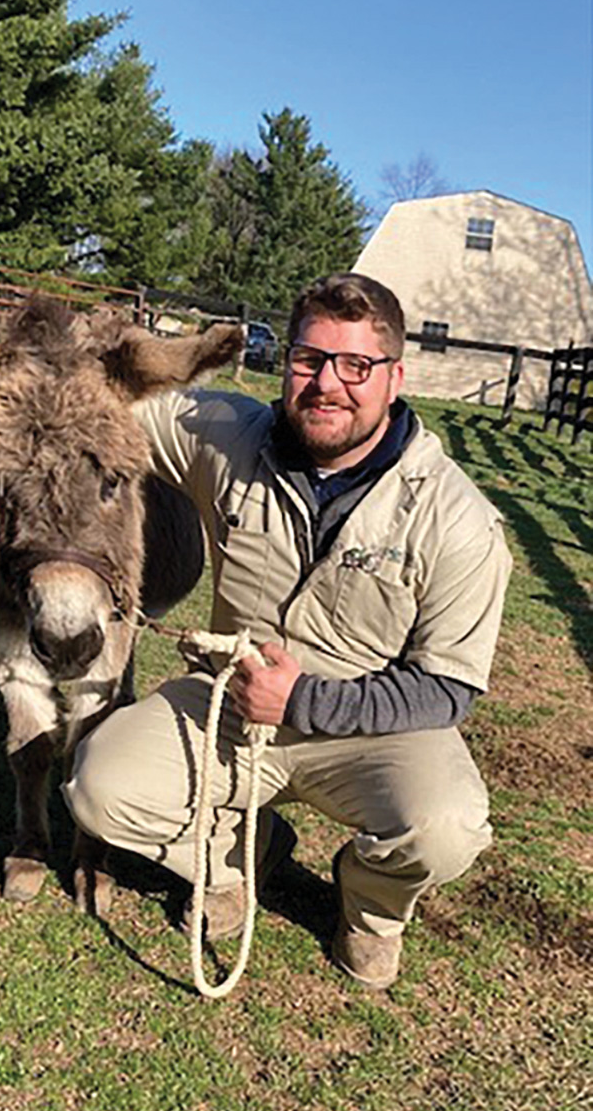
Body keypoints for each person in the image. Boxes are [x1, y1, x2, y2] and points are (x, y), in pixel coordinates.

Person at [63, 273, 512, 990]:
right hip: (230, 708)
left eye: (355, 365)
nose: (327, 383)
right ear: (286, 362)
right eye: (309, 359)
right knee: (98, 784)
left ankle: (372, 909)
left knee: (448, 824)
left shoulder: (459, 519)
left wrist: (303, 701)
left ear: (395, 377)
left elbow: (448, 689)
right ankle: (240, 850)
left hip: (374, 727)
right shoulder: (226, 437)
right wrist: (23, 363)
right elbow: (114, 400)